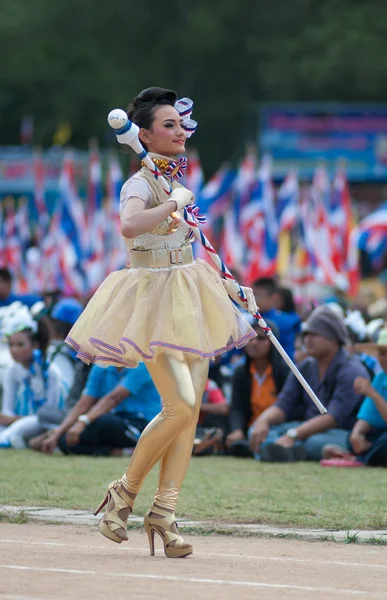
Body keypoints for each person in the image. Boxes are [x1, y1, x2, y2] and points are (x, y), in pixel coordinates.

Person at [64, 87, 257, 558]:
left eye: (180, 124)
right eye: (168, 125)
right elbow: (129, 228)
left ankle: (165, 514)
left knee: (188, 417)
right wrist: (174, 203)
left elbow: (194, 249)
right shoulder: (143, 183)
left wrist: (234, 289)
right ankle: (123, 493)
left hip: (192, 295)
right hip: (150, 299)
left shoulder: (176, 181)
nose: (179, 132)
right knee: (181, 404)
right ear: (144, 136)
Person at [249, 305, 370, 461]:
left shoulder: (352, 370)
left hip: (342, 431)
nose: (307, 340)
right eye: (306, 334)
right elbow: (283, 404)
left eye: (314, 334)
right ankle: (284, 449)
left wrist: (294, 435)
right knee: (257, 429)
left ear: (333, 338)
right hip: (307, 429)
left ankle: (281, 449)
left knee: (314, 443)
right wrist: (263, 421)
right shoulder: (306, 366)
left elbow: (334, 417)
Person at [40, 363, 161, 456]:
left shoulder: (143, 364)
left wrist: (82, 422)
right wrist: (59, 431)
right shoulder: (101, 364)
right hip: (117, 422)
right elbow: (85, 401)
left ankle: (136, 448)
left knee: (102, 421)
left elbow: (114, 398)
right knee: (66, 440)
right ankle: (120, 451)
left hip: (143, 425)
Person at [321, 327, 387, 468]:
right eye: (382, 353)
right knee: (354, 436)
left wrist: (373, 394)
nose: (386, 359)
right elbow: (367, 416)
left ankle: (359, 459)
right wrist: (356, 435)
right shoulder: (381, 378)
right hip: (383, 436)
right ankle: (378, 457)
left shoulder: (376, 383)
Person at [0, 304, 68, 448]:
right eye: (11, 345)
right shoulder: (12, 371)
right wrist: (11, 419)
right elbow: (7, 409)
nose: (14, 350)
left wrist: (18, 420)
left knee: (21, 427)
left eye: (20, 345)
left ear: (35, 345)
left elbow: (48, 415)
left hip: (45, 424)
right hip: (17, 421)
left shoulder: (50, 372)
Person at [226, 320, 289, 457]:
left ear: (273, 342)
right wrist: (236, 430)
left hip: (277, 426)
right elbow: (236, 407)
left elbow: (290, 407)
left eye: (261, 338)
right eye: (250, 338)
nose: (254, 343)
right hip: (250, 427)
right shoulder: (240, 373)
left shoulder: (286, 372)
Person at [252, 277, 301, 361]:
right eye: (252, 296)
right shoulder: (249, 318)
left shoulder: (285, 322)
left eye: (258, 296)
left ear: (273, 297)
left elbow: (288, 354)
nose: (253, 300)